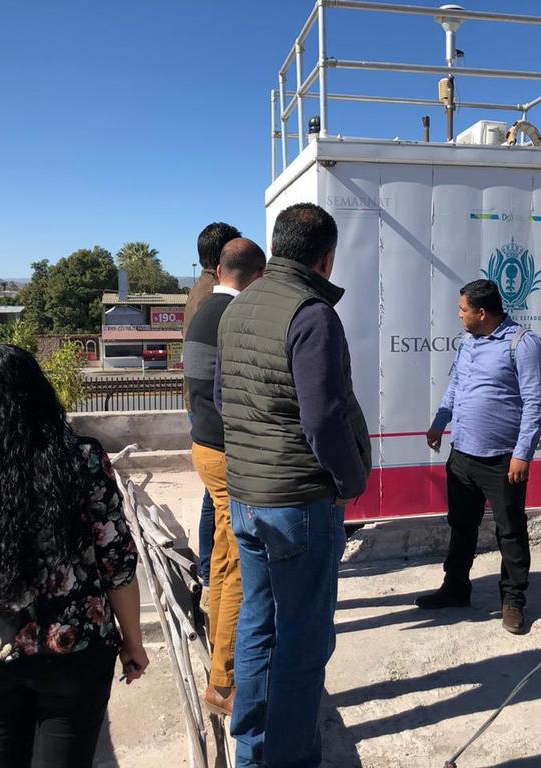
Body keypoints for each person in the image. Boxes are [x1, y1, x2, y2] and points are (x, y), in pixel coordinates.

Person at [0, 344, 148, 768]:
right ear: (38, 392)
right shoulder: (84, 460)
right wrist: (132, 641)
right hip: (77, 650)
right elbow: (117, 562)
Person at [215, 203, 371, 768]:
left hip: (247, 497)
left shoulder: (237, 306)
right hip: (299, 503)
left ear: (277, 247)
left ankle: (250, 752)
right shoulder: (312, 314)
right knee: (303, 643)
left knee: (258, 625)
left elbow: (222, 399)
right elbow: (323, 417)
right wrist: (349, 481)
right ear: (326, 257)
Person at [416, 279, 541, 635]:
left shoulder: (523, 344)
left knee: (510, 530)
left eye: (463, 310)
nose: (459, 315)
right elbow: (456, 385)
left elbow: (536, 403)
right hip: (462, 454)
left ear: (483, 312)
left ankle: (513, 600)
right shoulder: (467, 341)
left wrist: (523, 454)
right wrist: (440, 421)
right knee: (461, 525)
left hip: (502, 460)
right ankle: (456, 588)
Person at [184, 238, 266, 716]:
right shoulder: (236, 317)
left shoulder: (203, 311)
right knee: (237, 563)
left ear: (218, 270)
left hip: (204, 446)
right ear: (258, 276)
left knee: (220, 555)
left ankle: (219, 643)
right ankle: (224, 682)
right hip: (227, 451)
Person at [184, 221, 242, 614]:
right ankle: (209, 575)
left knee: (213, 500)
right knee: (220, 508)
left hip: (200, 404)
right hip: (212, 409)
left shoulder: (200, 292)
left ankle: (209, 574)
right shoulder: (217, 300)